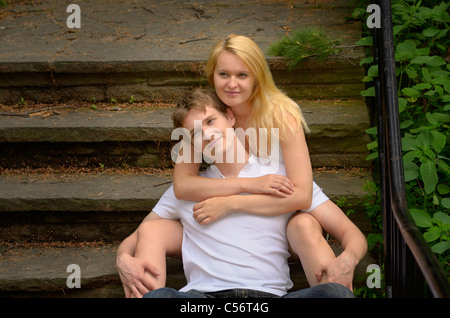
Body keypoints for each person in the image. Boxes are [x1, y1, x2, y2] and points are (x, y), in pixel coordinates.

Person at [116, 34, 367, 297]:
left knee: (328, 279)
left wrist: (232, 202)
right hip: (202, 297)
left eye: (242, 75)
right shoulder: (200, 121)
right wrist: (123, 256)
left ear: (229, 118)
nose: (232, 84)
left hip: (267, 286)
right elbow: (181, 187)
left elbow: (303, 196)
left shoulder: (279, 142)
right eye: (224, 74)